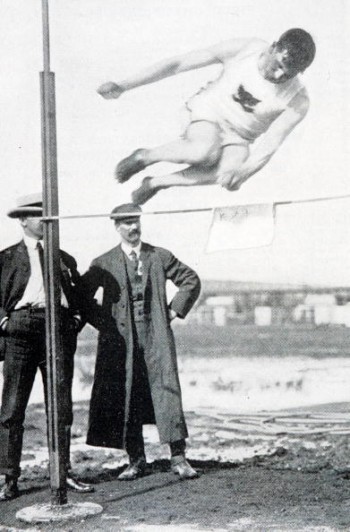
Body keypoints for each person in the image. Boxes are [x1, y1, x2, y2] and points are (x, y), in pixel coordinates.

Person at [98, 28, 316, 204]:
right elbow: (178, 64)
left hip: (239, 137)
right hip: (207, 113)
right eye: (279, 65)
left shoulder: (298, 100)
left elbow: (271, 143)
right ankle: (144, 156)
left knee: (228, 170)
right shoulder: (246, 49)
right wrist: (123, 85)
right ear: (273, 47)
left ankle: (156, 183)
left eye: (289, 73)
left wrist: (244, 173)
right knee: (204, 152)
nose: (279, 75)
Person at [81, 203, 201, 480]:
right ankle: (136, 460)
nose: (132, 227)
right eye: (126, 223)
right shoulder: (103, 262)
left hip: (155, 334)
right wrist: (104, 323)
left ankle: (179, 458)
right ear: (116, 227)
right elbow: (82, 296)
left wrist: (173, 310)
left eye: (135, 221)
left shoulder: (158, 256)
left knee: (166, 387)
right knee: (128, 393)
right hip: (121, 341)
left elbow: (190, 280)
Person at [0, 193, 93, 501]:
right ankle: (9, 477)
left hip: (58, 332)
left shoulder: (64, 258)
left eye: (48, 214)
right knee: (13, 407)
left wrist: (75, 319)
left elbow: (79, 298)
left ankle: (62, 472)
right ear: (23, 220)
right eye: (39, 215)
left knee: (61, 406)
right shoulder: (5, 258)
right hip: (21, 332)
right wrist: (5, 323)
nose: (45, 220)